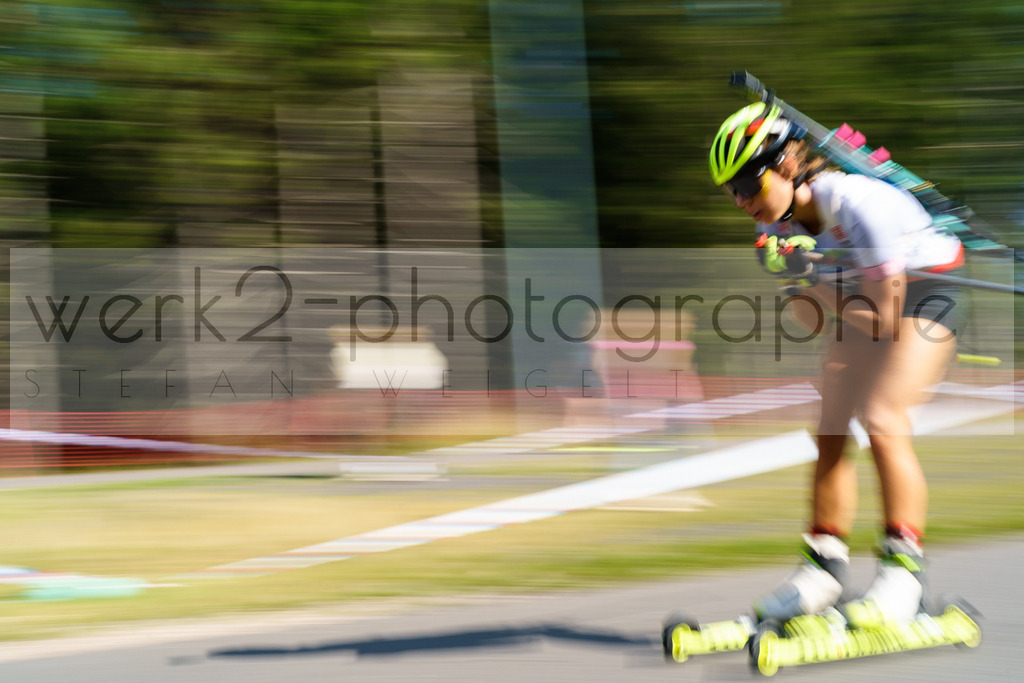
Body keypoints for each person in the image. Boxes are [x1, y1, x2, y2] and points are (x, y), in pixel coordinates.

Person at [708, 101, 967, 627]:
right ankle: (823, 567)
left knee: (883, 418)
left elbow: (885, 319)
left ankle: (903, 573)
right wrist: (795, 278)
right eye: (731, 192)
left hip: (928, 292)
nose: (740, 202)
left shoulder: (857, 203)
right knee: (830, 425)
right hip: (865, 297)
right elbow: (814, 322)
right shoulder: (781, 228)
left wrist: (815, 277)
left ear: (785, 164)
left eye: (746, 185)